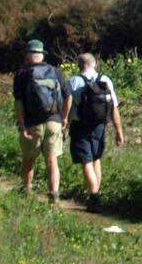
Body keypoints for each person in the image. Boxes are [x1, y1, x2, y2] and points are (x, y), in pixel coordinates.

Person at [63, 52, 125, 214]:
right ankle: (96, 194)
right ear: (95, 64)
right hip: (99, 125)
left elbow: (67, 105)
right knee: (96, 159)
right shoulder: (105, 80)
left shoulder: (73, 81)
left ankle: (94, 197)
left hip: (80, 126)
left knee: (86, 162)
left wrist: (64, 123)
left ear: (79, 65)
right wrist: (119, 131)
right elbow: (113, 108)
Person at [11, 39, 68, 204]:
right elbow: (68, 96)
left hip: (32, 124)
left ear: (27, 56)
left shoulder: (22, 74)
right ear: (42, 55)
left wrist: (22, 126)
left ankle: (27, 190)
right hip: (54, 122)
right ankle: (54, 195)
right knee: (52, 161)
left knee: (29, 159)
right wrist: (64, 117)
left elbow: (19, 103)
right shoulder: (56, 72)